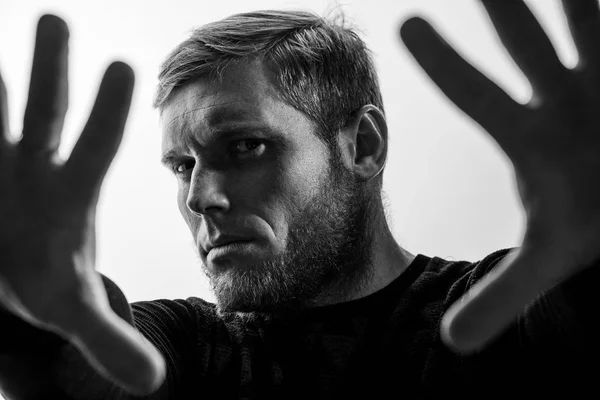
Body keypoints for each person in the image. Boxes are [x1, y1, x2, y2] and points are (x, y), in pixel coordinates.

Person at [1, 1, 600, 398]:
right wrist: (27, 318)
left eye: (246, 146)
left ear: (362, 145)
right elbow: (82, 374)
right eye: (181, 165)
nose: (199, 197)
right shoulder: (188, 347)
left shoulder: (502, 316)